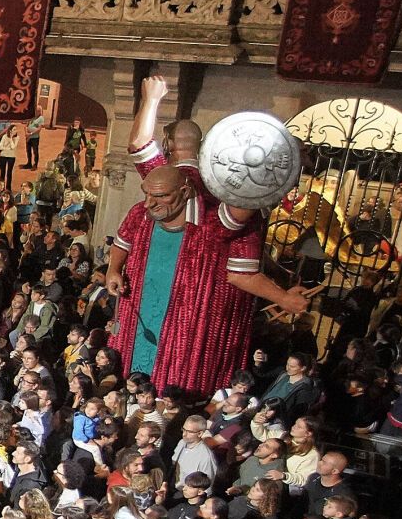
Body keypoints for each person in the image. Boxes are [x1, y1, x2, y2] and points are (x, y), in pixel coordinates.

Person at [105, 74, 310, 398]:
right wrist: (114, 269)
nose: (151, 204)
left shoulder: (217, 211)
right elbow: (124, 237)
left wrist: (152, 99)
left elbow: (242, 273)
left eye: (160, 198)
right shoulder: (157, 192)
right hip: (139, 316)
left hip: (190, 332)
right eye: (148, 196)